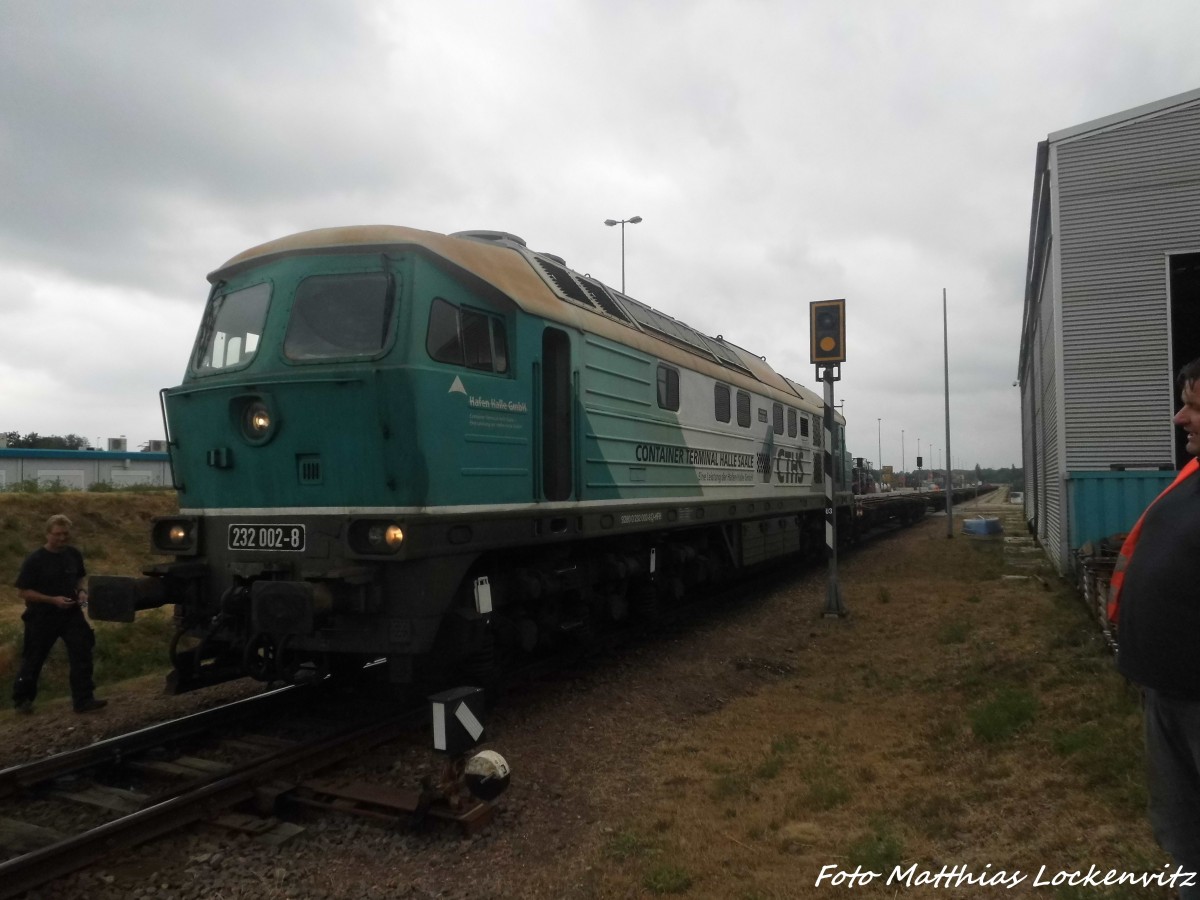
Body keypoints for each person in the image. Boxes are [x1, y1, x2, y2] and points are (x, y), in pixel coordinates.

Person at [1109, 356, 1200, 897]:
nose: (1179, 417)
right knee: (1184, 833)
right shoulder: (1192, 475)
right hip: (1169, 691)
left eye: (1192, 406)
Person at [11, 514, 107, 715]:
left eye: (65, 534)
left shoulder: (73, 554)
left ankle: (84, 699)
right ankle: (22, 699)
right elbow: (23, 591)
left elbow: (79, 577)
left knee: (82, 651)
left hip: (70, 614)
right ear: (48, 534)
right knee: (33, 658)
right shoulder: (35, 560)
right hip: (41, 616)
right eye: (57, 534)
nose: (62, 538)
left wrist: (81, 592)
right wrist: (52, 600)